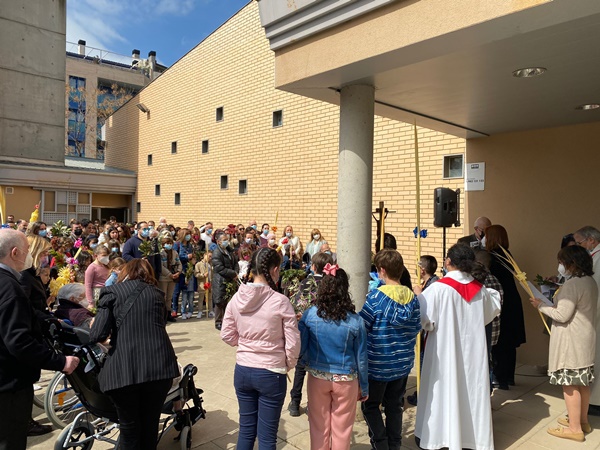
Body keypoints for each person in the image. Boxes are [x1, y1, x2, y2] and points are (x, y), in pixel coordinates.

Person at [415, 244, 501, 450]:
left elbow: (425, 321)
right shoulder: (481, 290)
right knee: (470, 391)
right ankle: (471, 439)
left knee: (443, 391)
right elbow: (492, 310)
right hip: (473, 354)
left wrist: (419, 296)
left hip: (444, 352)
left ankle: (439, 437)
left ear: (448, 262)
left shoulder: (437, 289)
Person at [0, 229, 79, 450]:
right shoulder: (11, 288)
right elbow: (19, 342)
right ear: (15, 253)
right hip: (9, 383)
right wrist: (60, 362)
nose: (30, 257)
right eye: (27, 251)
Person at [90, 259, 179, 450]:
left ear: (125, 273)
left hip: (123, 371)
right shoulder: (157, 293)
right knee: (149, 427)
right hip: (158, 369)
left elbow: (97, 334)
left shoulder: (111, 292)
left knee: (129, 429)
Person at [221, 247, 300, 450]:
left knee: (246, 432)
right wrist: (288, 364)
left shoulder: (236, 298)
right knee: (266, 439)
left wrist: (246, 345)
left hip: (243, 369)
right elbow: (293, 343)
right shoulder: (280, 301)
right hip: (271, 372)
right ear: (274, 270)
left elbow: (226, 334)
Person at [530, 245, 597, 442]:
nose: (560, 266)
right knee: (582, 383)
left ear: (571, 264)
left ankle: (574, 429)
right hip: (584, 339)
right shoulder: (589, 281)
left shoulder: (573, 284)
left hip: (571, 341)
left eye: (561, 262)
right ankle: (582, 421)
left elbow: (562, 314)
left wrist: (541, 305)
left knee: (569, 384)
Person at [299, 264, 368, 450]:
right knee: (342, 430)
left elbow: (301, 347)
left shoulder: (310, 315)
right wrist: (364, 386)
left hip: (317, 377)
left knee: (318, 427)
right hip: (346, 380)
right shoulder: (356, 321)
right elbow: (361, 358)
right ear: (344, 289)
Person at [360, 250, 421, 450]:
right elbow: (416, 327)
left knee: (370, 406)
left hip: (378, 365)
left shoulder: (375, 297)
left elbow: (362, 326)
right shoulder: (413, 298)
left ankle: (381, 444)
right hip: (402, 364)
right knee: (395, 406)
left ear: (382, 270)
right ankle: (395, 445)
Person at [287, 252, 333, 416]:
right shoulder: (330, 285)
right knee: (318, 369)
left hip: (305, 328)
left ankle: (295, 401)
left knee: (300, 367)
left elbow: (296, 303)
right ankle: (314, 403)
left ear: (313, 267)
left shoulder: (305, 283)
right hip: (324, 330)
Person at [485, 224, 526, 390]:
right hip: (512, 300)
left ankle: (499, 378)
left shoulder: (492, 257)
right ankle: (509, 377)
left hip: (501, 301)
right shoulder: (507, 254)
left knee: (500, 341)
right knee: (509, 343)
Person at [573, 226, 600, 416]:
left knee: (596, 356)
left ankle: (595, 401)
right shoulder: (594, 256)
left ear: (591, 240)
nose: (578, 246)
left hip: (595, 313)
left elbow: (595, 289)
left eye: (579, 243)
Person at [213, 233, 237, 330]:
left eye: (227, 239)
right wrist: (232, 273)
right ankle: (218, 322)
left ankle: (227, 321)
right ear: (218, 241)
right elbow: (219, 268)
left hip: (230, 279)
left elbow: (235, 263)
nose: (226, 242)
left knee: (228, 301)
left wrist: (235, 272)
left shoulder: (229, 251)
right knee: (220, 302)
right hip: (220, 280)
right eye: (224, 240)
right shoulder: (217, 253)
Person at [158, 236, 181, 322]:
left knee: (169, 297)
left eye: (170, 243)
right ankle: (162, 314)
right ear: (163, 244)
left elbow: (179, 263)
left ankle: (168, 313)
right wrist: (169, 274)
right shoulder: (161, 253)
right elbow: (161, 266)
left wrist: (178, 272)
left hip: (173, 278)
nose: (169, 245)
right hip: (164, 278)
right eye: (167, 243)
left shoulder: (174, 253)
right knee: (163, 296)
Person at [195, 251, 213, 319]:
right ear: (205, 255)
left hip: (209, 283)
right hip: (202, 284)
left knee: (210, 298)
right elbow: (196, 274)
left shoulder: (211, 264)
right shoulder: (199, 264)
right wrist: (203, 275)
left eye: (211, 257)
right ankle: (200, 311)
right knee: (201, 298)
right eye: (209, 256)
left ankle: (210, 310)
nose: (210, 258)